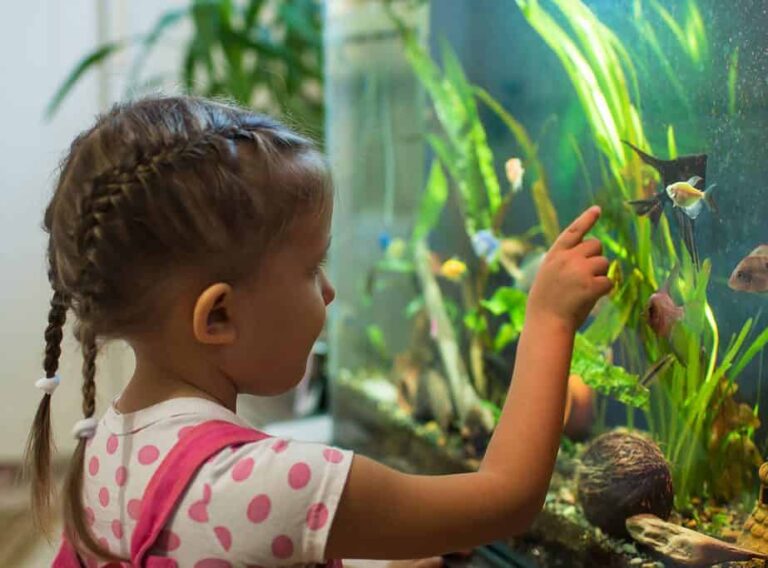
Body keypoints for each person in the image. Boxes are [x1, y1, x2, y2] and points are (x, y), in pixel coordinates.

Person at [26, 95, 612, 567]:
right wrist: (549, 321)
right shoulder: (275, 483)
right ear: (218, 316)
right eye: (311, 269)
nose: (329, 291)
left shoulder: (104, 445)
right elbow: (505, 500)